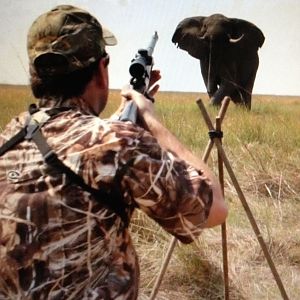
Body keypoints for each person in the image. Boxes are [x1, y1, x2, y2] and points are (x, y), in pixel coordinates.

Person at [0, 4, 227, 300]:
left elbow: (68, 144)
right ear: (101, 71)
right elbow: (214, 208)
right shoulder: (117, 143)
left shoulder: (9, 138)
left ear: (36, 75)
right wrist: (152, 123)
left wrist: (116, 125)